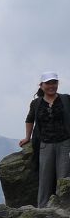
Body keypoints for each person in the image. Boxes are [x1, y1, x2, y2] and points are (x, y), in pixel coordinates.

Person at [20, 71, 70, 207]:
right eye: (48, 83)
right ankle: (42, 209)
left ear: (58, 84)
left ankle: (64, 208)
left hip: (64, 143)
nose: (51, 86)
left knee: (64, 178)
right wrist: (27, 137)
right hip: (45, 144)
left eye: (54, 82)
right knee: (45, 179)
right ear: (41, 85)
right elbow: (30, 120)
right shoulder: (36, 103)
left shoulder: (66, 99)